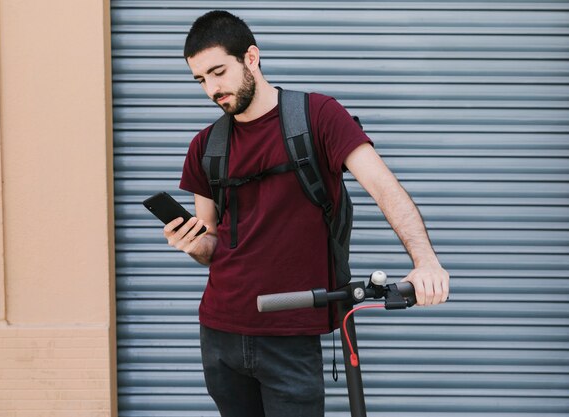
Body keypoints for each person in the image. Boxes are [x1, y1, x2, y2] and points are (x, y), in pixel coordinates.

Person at [163, 10, 449, 417]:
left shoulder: (317, 116)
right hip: (219, 332)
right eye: (200, 80)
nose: (212, 88)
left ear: (251, 58)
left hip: (291, 332)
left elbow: (385, 189)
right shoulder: (206, 146)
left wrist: (425, 262)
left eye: (218, 72)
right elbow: (210, 244)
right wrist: (191, 244)